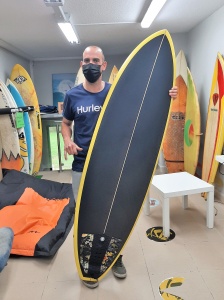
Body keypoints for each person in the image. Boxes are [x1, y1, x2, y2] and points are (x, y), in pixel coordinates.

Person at [61, 45, 178, 289]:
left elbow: (143, 108)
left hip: (112, 165)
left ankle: (115, 258)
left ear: (104, 65)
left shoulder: (117, 93)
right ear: (81, 64)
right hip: (81, 164)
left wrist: (166, 94)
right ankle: (88, 261)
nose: (90, 64)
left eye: (95, 60)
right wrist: (67, 140)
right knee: (85, 214)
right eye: (86, 60)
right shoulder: (73, 95)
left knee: (113, 211)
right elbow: (65, 123)